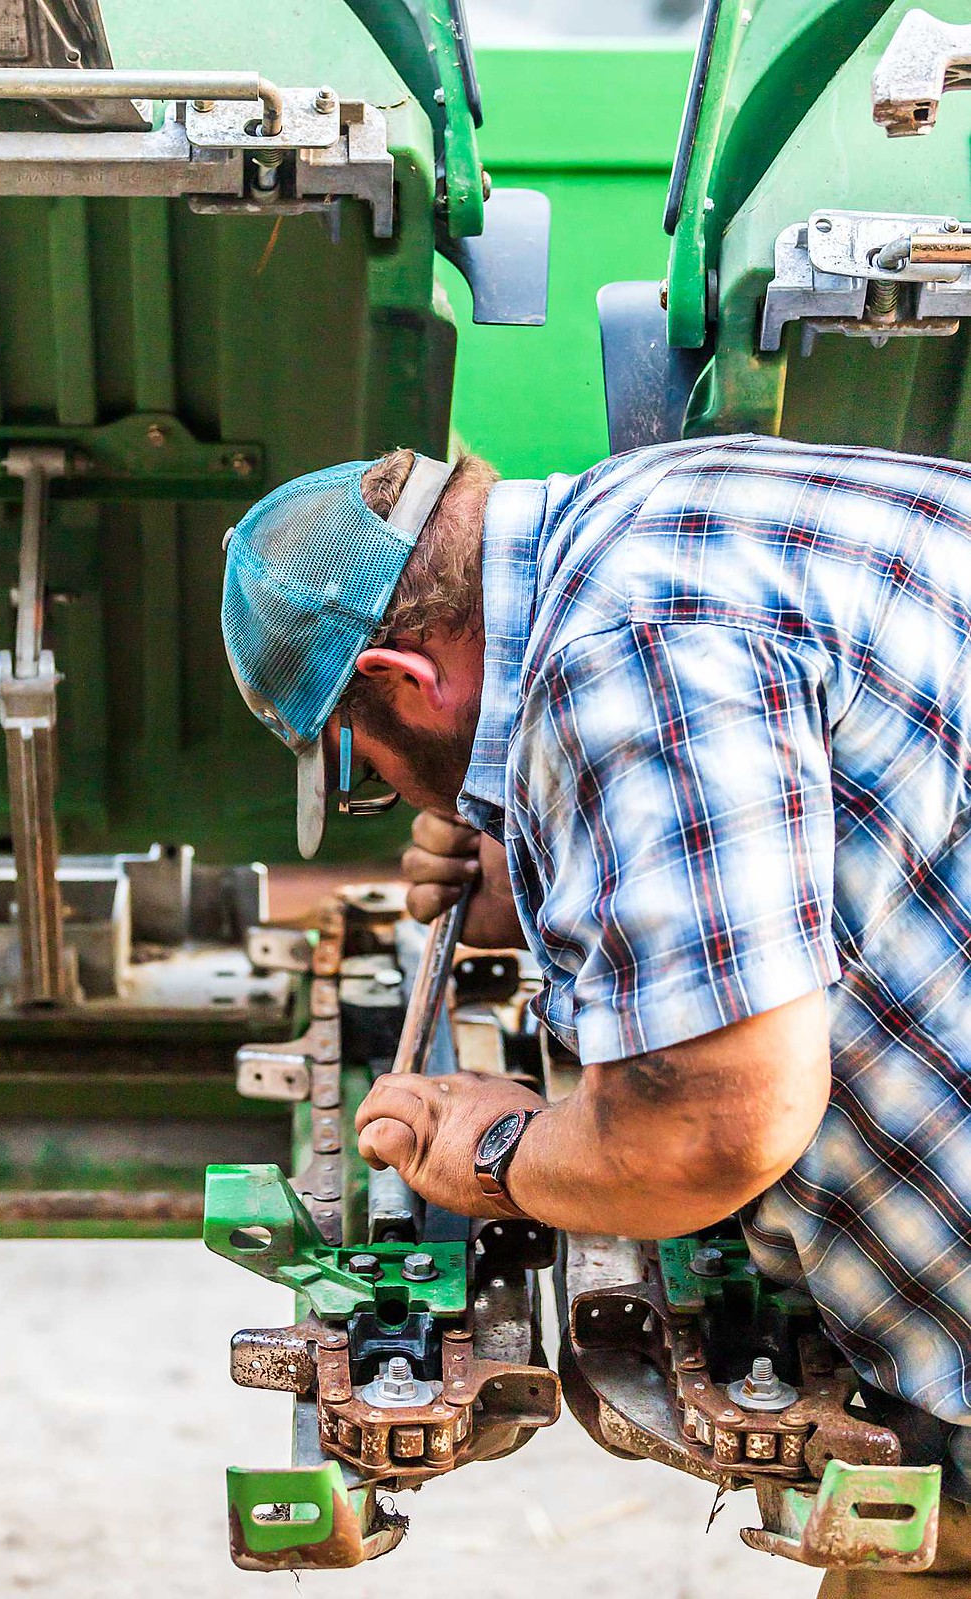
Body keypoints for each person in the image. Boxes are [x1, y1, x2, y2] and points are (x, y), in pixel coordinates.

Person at [221, 437, 971, 1593]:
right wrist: (542, 857)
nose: (397, 798)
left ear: (406, 678)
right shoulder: (656, 509)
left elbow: (705, 1134)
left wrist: (493, 1153)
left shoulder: (620, 664)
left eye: (365, 770)